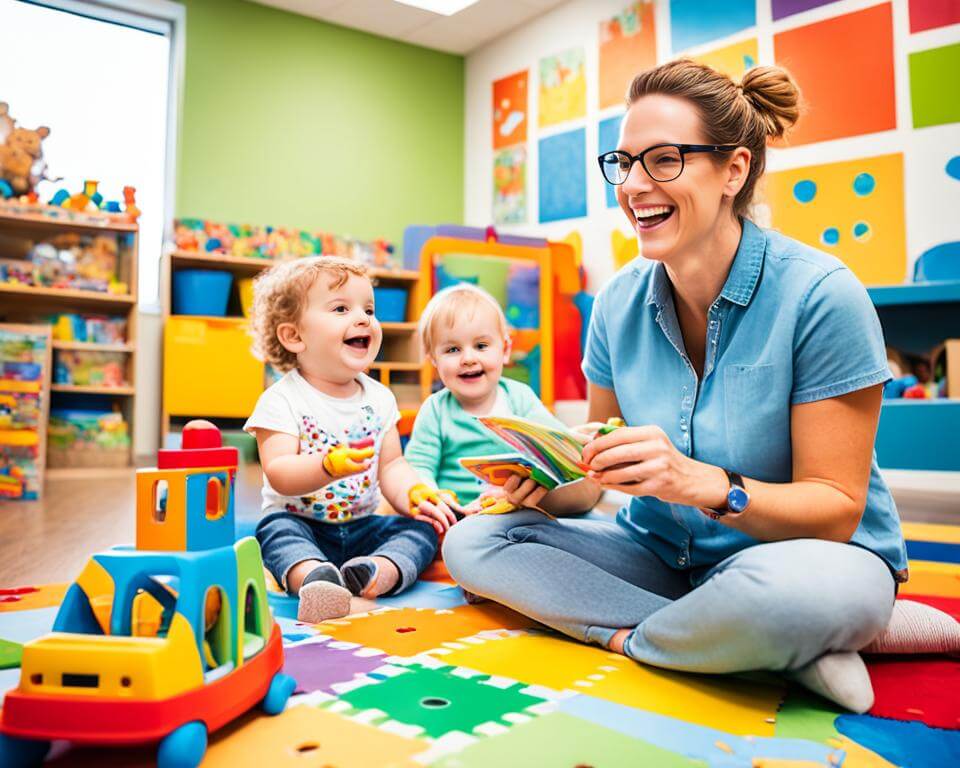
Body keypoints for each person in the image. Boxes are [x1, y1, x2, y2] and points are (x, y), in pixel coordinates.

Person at [442, 59, 909, 713]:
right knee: (473, 541)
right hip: (660, 552)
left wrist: (700, 483)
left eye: (663, 160)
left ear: (734, 170)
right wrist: (549, 479)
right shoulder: (614, 306)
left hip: (805, 558)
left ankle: (695, 632)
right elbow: (594, 477)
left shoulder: (821, 296)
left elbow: (835, 508)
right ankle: (751, 646)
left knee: (784, 598)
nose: (634, 185)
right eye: (623, 162)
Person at [244, 256, 456, 622]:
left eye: (369, 309)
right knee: (273, 533)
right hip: (301, 522)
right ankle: (314, 578)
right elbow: (278, 470)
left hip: (363, 527)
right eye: (341, 308)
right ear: (294, 336)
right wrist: (326, 466)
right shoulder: (281, 400)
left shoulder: (379, 398)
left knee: (421, 529)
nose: (363, 319)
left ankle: (378, 571)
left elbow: (392, 465)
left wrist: (415, 494)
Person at [405, 283, 601, 515]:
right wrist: (435, 501)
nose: (468, 358)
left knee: (586, 519)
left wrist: (579, 442)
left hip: (514, 509)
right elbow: (418, 467)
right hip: (457, 514)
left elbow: (555, 441)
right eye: (452, 350)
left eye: (481, 346)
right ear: (434, 360)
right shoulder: (436, 409)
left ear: (505, 349)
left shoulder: (518, 397)